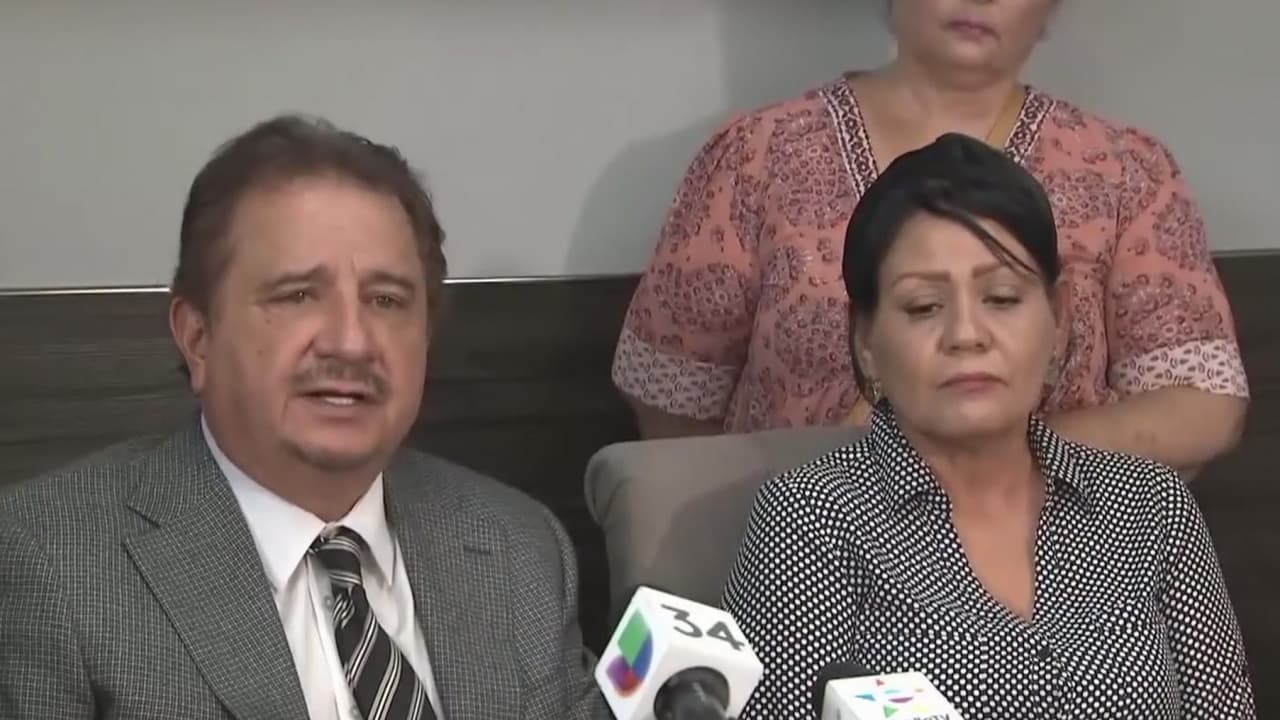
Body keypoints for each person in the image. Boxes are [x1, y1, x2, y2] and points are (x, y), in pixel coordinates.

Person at [0, 115, 605, 720]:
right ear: (198, 337)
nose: (351, 342)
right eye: (297, 295)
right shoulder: (50, 563)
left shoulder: (520, 545)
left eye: (387, 300)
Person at [720, 133, 1256, 719]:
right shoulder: (810, 518)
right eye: (924, 307)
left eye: (1001, 298)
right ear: (867, 341)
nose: (966, 335)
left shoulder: (1151, 504)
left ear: (1057, 321)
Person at [612, 0, 1248, 477]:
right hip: (807, 550)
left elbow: (1200, 405)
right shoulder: (758, 156)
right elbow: (673, 397)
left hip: (1053, 560)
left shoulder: (1125, 170)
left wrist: (986, 455)